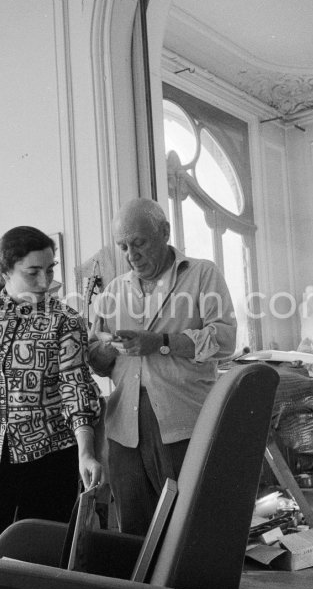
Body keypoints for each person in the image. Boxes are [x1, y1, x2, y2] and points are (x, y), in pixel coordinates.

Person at [0, 225, 102, 564]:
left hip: (51, 459)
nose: (45, 281)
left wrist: (86, 453)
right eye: (33, 272)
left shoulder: (66, 321)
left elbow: (75, 388)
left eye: (50, 269)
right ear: (5, 272)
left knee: (43, 562)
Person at [89, 199, 236, 535]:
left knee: (189, 529)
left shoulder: (202, 274)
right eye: (123, 247)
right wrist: (103, 349)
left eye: (139, 243)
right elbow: (98, 361)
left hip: (184, 423)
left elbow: (224, 340)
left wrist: (161, 342)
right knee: (134, 535)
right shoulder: (113, 292)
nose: (131, 255)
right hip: (124, 429)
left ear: (165, 232)